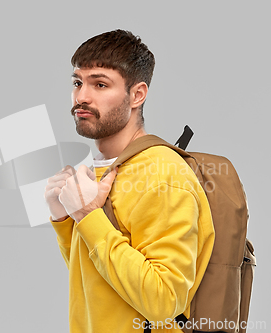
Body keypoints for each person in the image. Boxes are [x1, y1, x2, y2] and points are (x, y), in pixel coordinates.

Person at [44, 29, 215, 333]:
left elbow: (164, 302)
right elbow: (102, 283)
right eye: (77, 82)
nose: (82, 96)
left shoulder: (163, 174)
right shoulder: (102, 171)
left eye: (100, 84)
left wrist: (86, 214)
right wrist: (66, 221)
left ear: (137, 95)